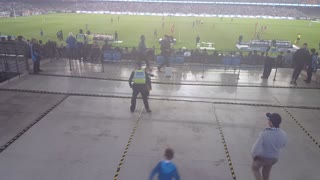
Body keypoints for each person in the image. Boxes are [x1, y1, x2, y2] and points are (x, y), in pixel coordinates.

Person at [251, 113, 287, 180]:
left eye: (269, 120)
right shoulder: (284, 134)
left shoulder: (264, 133)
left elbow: (256, 147)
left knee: (254, 168)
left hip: (264, 157)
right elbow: (283, 144)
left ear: (271, 123)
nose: (268, 121)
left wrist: (254, 156)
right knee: (266, 170)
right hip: (274, 158)